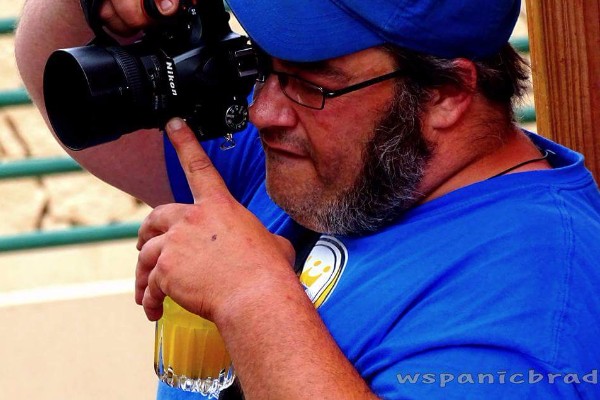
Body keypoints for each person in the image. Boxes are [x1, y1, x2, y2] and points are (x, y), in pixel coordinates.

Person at [15, 0, 600, 398]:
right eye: (263, 66)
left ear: (446, 92)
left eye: (311, 80)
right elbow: (51, 61)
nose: (263, 111)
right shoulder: (322, 162)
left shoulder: (537, 295)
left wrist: (253, 298)